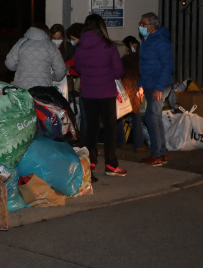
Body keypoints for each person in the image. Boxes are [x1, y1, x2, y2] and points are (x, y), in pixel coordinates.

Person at [73, 14, 127, 177]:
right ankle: (111, 164)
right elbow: (119, 71)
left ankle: (92, 161)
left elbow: (79, 68)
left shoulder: (80, 46)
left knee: (92, 127)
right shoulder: (109, 46)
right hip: (106, 92)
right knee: (110, 128)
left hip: (88, 92)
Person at [136, 12, 174, 166]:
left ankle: (157, 154)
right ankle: (160, 153)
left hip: (159, 84)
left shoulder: (160, 41)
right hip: (150, 83)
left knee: (152, 118)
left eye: (144, 24)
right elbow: (145, 66)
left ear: (152, 26)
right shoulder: (148, 39)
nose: (141, 26)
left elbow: (167, 66)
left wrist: (158, 87)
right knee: (154, 118)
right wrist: (141, 84)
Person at [4, 22, 66, 90]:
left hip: (22, 88)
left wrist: (22, 67)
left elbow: (9, 64)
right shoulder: (51, 45)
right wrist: (53, 77)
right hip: (44, 89)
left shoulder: (21, 42)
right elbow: (61, 71)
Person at [118, 36, 145, 152]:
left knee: (119, 114)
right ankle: (139, 145)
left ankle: (120, 141)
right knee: (136, 115)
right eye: (132, 45)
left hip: (124, 89)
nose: (134, 48)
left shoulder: (123, 58)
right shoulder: (140, 58)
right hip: (135, 90)